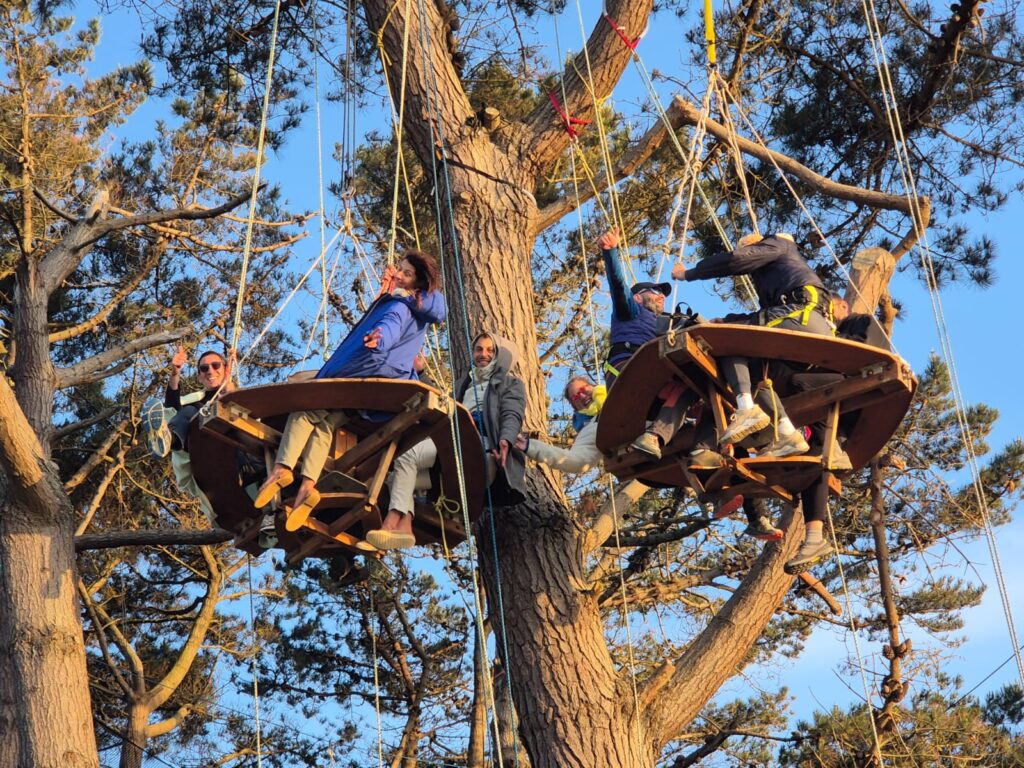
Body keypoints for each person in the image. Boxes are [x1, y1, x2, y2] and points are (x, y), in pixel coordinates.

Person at [255, 250, 446, 531]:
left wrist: (379, 339)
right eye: (399, 269)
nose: (398, 275)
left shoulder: (400, 304)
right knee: (326, 423)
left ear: (417, 283)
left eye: (406, 273)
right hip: (381, 387)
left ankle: (283, 469)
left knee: (306, 410)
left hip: (368, 375)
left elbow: (389, 327)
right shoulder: (413, 309)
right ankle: (308, 486)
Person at [672, 233, 834, 458]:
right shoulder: (777, 275)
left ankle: (746, 410)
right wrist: (727, 320)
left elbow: (736, 260)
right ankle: (787, 433)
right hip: (806, 331)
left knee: (724, 339)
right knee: (754, 374)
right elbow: (765, 316)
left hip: (801, 315)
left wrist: (688, 273)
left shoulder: (778, 244)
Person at [366, 331, 527, 549]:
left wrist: (505, 439)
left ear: (499, 355)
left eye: (490, 350)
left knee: (409, 458)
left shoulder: (509, 384)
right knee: (396, 477)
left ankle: (392, 520)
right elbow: (444, 404)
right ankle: (404, 525)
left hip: (480, 449)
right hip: (450, 452)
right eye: (479, 349)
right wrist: (421, 373)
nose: (483, 354)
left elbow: (511, 414)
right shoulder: (464, 384)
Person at [783, 299, 892, 573]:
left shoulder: (862, 321)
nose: (826, 314)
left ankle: (832, 447)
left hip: (862, 385)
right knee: (816, 462)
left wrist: (828, 335)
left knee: (799, 383)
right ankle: (814, 538)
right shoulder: (837, 328)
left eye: (829, 308)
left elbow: (863, 350)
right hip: (841, 413)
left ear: (843, 305)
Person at [599, 227, 697, 461]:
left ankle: (697, 450)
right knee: (685, 387)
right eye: (654, 291)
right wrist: (611, 253)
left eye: (662, 293)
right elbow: (618, 286)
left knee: (694, 392)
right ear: (637, 297)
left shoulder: (665, 324)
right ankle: (655, 436)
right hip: (629, 372)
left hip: (651, 386)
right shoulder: (630, 311)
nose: (661, 295)